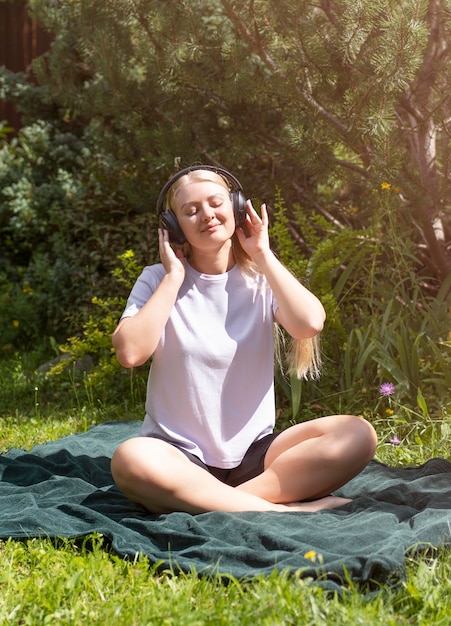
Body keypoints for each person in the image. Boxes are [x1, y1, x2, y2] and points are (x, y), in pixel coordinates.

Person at [111, 165, 377, 515]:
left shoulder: (260, 278)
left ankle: (223, 502)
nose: (206, 215)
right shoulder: (158, 279)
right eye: (190, 211)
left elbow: (310, 323)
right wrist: (174, 279)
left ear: (236, 208)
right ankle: (281, 509)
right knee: (130, 458)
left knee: (358, 434)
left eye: (216, 203)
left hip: (256, 455)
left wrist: (263, 254)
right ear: (174, 227)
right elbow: (130, 353)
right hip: (178, 456)